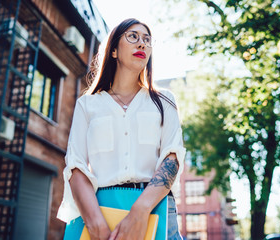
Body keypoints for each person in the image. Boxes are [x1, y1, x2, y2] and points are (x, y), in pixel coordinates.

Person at [57, 18, 186, 240]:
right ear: (114, 50)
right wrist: (96, 225)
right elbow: (75, 166)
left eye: (147, 39)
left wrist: (140, 211)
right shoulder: (87, 105)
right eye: (133, 36)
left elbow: (172, 159)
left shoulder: (165, 100)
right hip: (100, 211)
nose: (142, 44)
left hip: (156, 209)